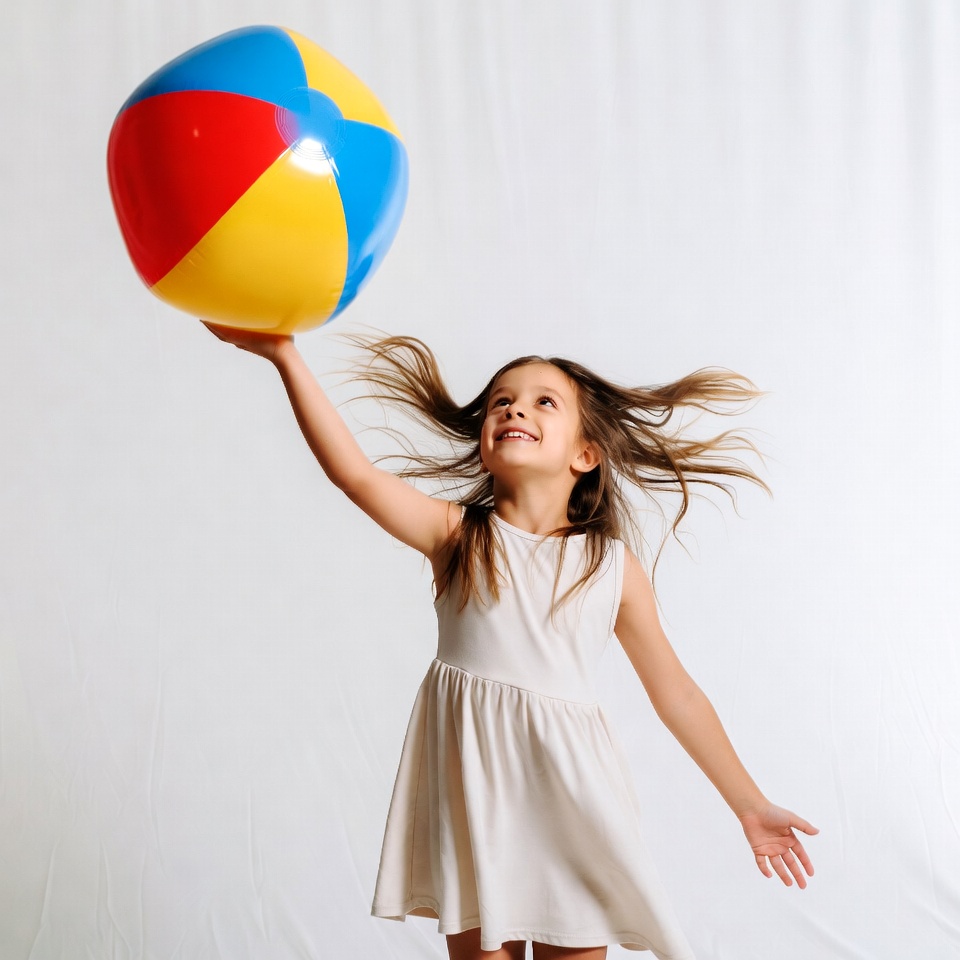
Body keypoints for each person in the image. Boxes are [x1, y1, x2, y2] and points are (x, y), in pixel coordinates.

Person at [205, 324, 818, 960]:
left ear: (585, 454)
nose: (514, 408)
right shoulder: (457, 536)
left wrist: (748, 804)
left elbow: (678, 695)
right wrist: (284, 356)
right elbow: (354, 475)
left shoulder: (610, 568)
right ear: (485, 444)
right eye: (501, 401)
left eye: (542, 401)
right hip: (475, 801)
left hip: (574, 801)